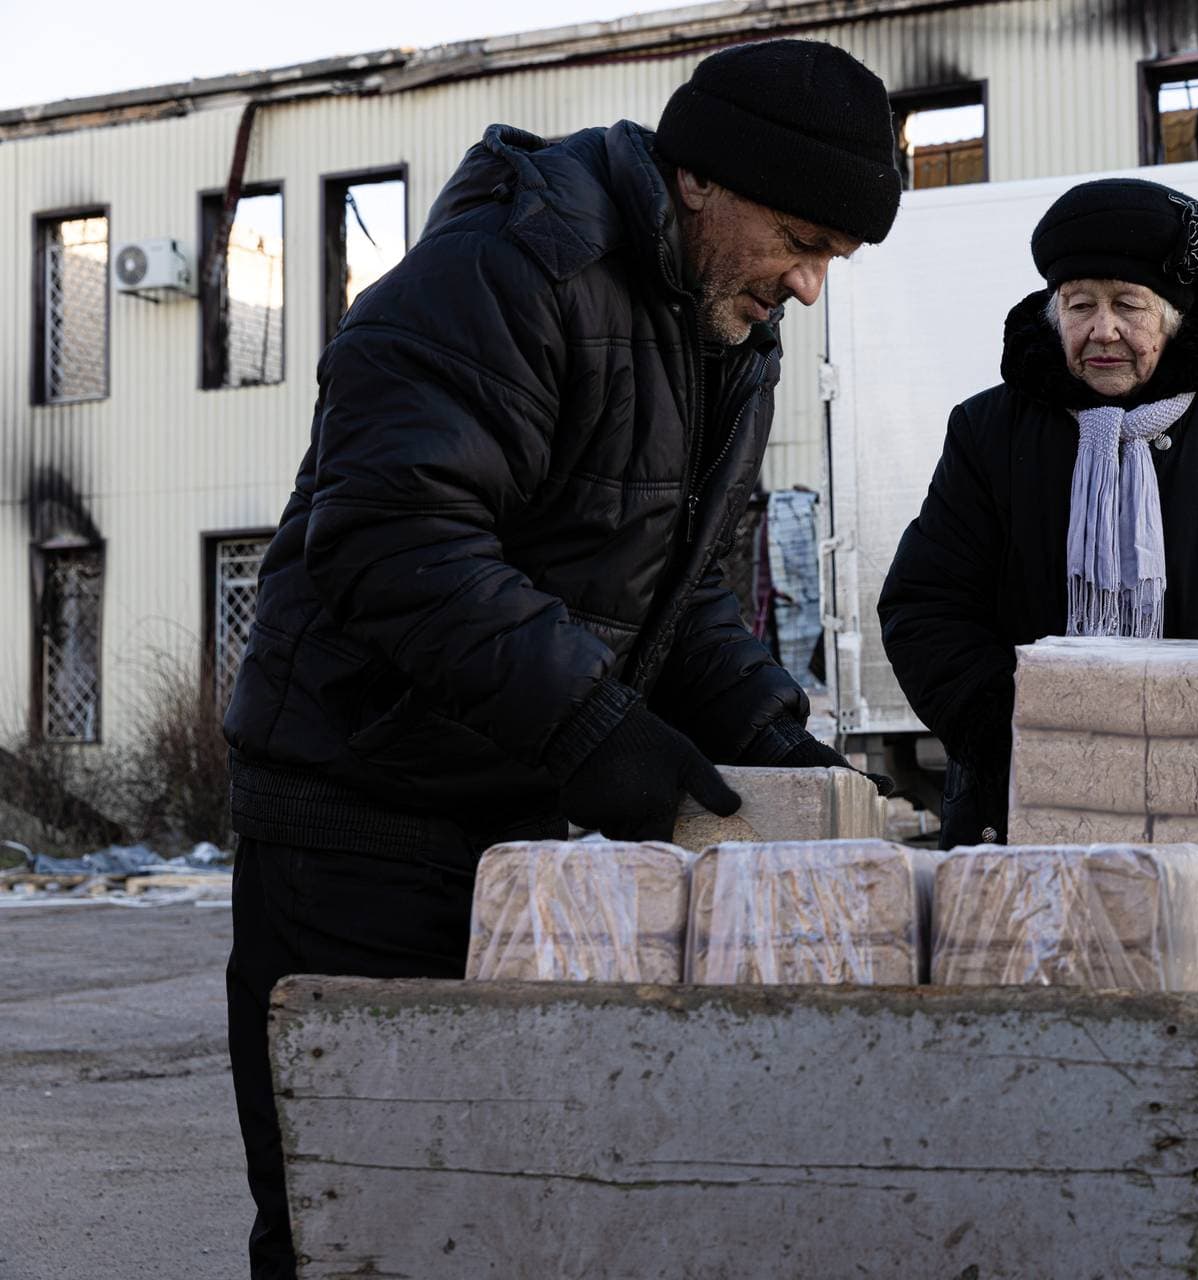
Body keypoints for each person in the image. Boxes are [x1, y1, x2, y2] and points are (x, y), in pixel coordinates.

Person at [220, 40, 899, 1278]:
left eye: (830, 263)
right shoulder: (507, 270)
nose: (806, 286)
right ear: (700, 180)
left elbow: (682, 597)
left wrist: (772, 740)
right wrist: (594, 728)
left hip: (519, 838)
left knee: (519, 1221)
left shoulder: (725, 332)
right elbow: (391, 537)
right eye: (799, 239)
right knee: (362, 1225)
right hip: (357, 829)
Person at [877, 177, 1198, 988]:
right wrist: (1034, 742)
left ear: (1172, 317)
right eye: (1078, 304)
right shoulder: (988, 431)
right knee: (1027, 1037)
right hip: (1022, 805)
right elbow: (926, 605)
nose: (1102, 331)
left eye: (1128, 304)